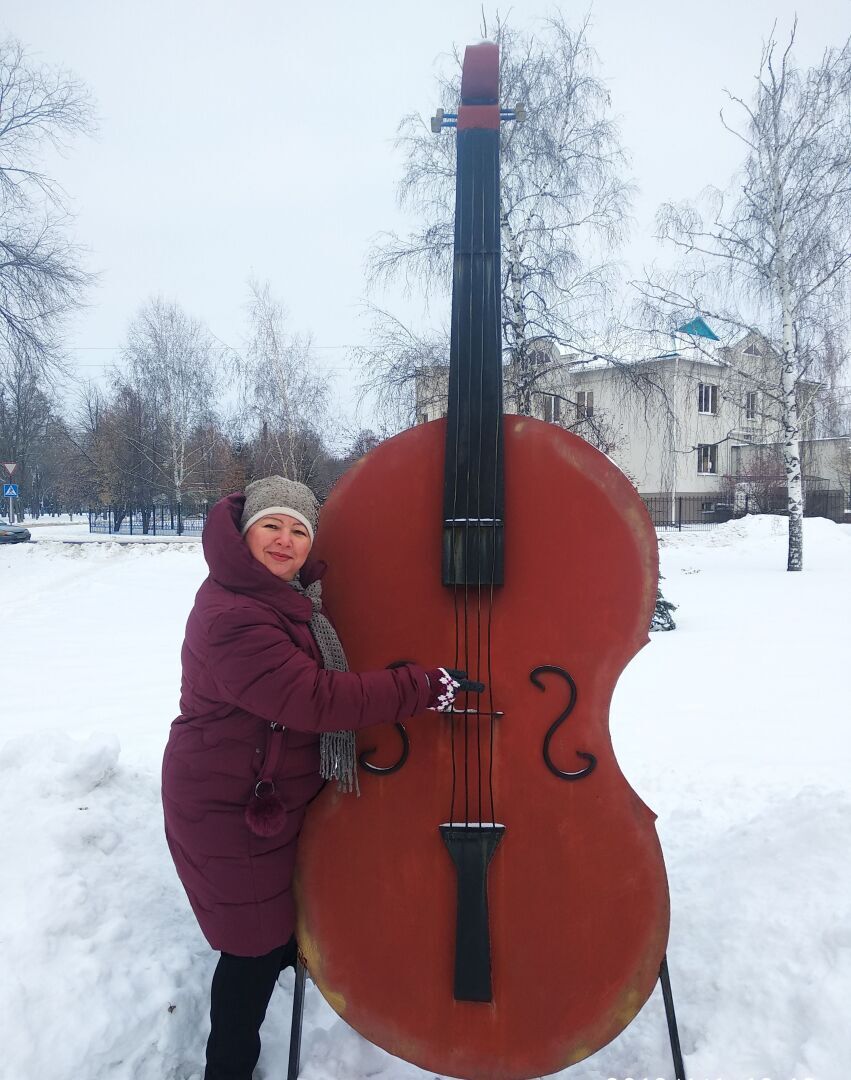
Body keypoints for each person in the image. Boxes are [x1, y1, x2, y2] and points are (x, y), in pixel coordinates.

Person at [161, 476, 475, 1080]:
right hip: (227, 804)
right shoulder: (233, 613)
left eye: (299, 529)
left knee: (272, 929)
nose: (285, 540)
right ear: (246, 531)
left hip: (260, 788)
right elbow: (312, 699)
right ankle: (226, 1067)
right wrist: (422, 685)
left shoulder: (279, 597)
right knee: (249, 949)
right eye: (272, 525)